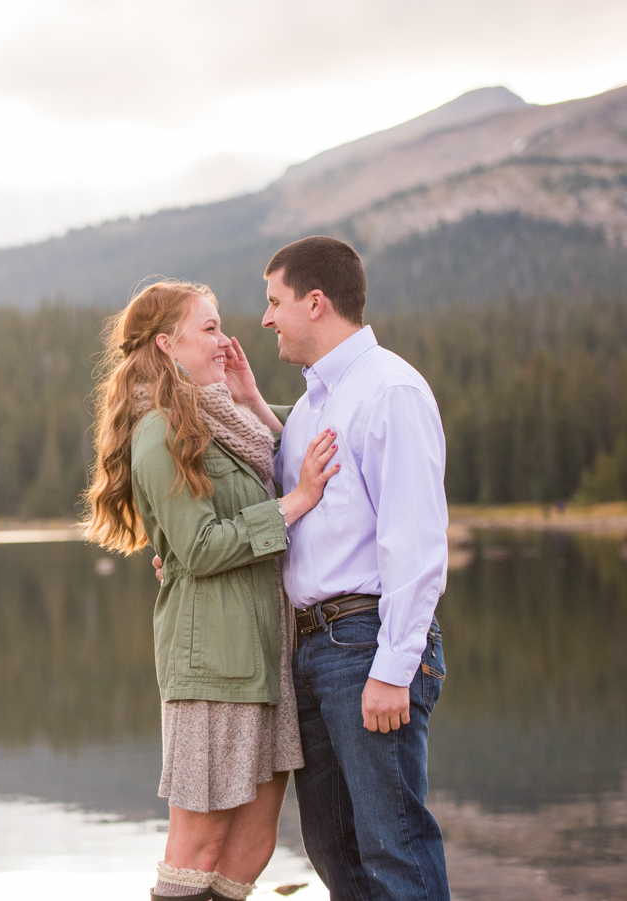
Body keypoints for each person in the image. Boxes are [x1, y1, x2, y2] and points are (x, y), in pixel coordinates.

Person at [82, 280, 339, 901]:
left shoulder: (220, 419)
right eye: (209, 329)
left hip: (266, 652)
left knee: (249, 852)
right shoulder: (157, 432)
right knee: (196, 852)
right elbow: (196, 549)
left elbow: (276, 461)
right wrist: (294, 503)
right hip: (213, 663)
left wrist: (250, 396)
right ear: (167, 345)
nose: (225, 341)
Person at [261, 236, 450, 901]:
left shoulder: (389, 389)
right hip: (314, 650)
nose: (265, 319)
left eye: (274, 301)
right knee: (337, 853)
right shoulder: (313, 405)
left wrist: (394, 668)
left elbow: (415, 541)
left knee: (393, 845)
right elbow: (288, 504)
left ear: (316, 302)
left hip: (368, 643)